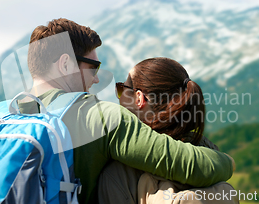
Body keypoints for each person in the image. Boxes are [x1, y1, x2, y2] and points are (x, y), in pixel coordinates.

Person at [0, 18, 235, 204]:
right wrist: (228, 163)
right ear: (66, 63)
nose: (95, 79)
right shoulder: (102, 117)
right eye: (93, 67)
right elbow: (191, 166)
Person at [98, 57, 238, 204]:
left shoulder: (118, 171)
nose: (118, 97)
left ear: (139, 98)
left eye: (121, 89)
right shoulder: (206, 151)